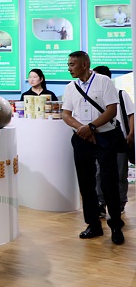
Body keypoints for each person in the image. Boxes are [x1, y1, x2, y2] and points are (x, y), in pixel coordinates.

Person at [61, 51, 124, 245]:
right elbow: (66, 114)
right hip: (81, 139)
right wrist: (82, 129)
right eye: (68, 64)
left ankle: (115, 225)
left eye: (72, 64)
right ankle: (93, 224)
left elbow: (112, 110)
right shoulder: (70, 87)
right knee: (86, 183)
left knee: (109, 182)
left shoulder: (104, 82)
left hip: (104, 138)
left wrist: (92, 127)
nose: (69, 68)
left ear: (85, 64)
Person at [93, 66, 134, 215]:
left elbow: (131, 114)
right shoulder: (94, 96)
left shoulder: (121, 94)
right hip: (101, 139)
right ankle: (101, 202)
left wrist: (130, 134)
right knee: (99, 172)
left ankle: (120, 202)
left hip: (120, 138)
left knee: (120, 172)